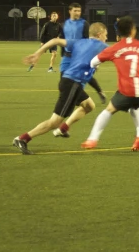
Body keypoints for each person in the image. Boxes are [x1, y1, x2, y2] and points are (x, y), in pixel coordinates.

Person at [13, 23, 109, 155]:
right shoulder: (101, 45)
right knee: (54, 122)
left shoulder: (79, 42)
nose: (106, 37)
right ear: (99, 35)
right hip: (73, 85)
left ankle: (64, 128)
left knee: (89, 105)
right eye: (106, 34)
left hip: (68, 81)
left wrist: (38, 54)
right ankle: (22, 139)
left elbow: (55, 40)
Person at [80, 16, 139, 151]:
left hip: (128, 91)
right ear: (133, 31)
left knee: (108, 111)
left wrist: (96, 65)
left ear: (118, 33)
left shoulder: (115, 48)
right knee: (134, 106)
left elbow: (93, 62)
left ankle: (92, 139)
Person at [60, 3, 107, 103]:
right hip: (67, 56)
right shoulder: (64, 24)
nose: (77, 13)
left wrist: (92, 58)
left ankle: (97, 92)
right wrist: (62, 54)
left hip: (80, 56)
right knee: (63, 83)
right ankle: (86, 97)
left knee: (82, 76)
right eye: (75, 10)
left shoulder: (84, 24)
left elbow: (89, 41)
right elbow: (63, 39)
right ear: (70, 11)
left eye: (79, 11)